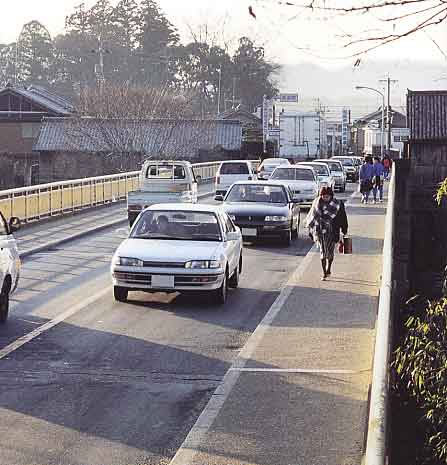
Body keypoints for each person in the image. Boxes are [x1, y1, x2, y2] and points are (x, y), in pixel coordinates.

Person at [305, 186, 348, 281]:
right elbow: (311, 218)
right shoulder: (316, 203)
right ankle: (324, 272)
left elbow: (343, 219)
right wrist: (310, 232)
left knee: (330, 252)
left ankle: (329, 268)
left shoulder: (338, 204)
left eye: (327, 196)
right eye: (323, 196)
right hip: (320, 232)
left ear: (331, 196)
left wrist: (344, 231)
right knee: (323, 252)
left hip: (332, 232)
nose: (325, 198)